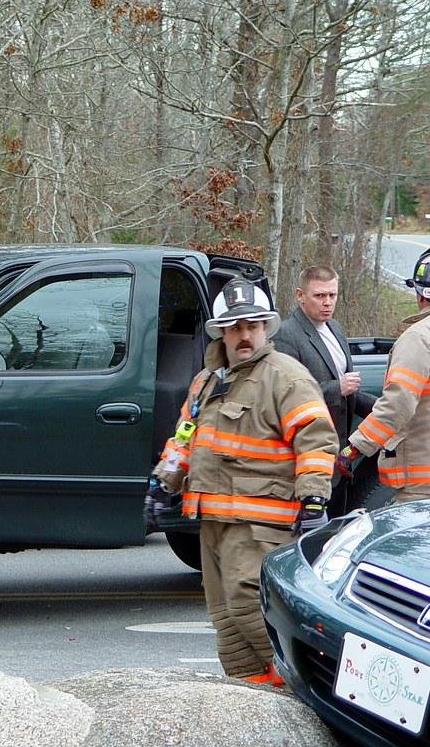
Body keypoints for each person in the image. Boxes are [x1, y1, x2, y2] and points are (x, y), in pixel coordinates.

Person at [146, 278, 337, 685]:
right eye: (235, 327)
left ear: (265, 328)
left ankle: (306, 694)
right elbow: (185, 436)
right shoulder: (207, 381)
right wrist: (165, 481)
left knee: (250, 609)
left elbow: (317, 439)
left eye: (252, 325)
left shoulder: (285, 377)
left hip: (259, 523)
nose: (245, 335)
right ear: (222, 331)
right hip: (212, 520)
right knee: (227, 623)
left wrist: (314, 500)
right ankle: (255, 704)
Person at [274, 266, 376, 516]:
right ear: (300, 295)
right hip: (308, 457)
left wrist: (384, 410)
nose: (327, 302)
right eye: (319, 296)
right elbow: (284, 397)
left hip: (339, 457)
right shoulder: (286, 334)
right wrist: (335, 388)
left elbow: (349, 395)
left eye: (332, 295)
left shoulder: (335, 328)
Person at [336, 249, 430, 505]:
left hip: (421, 487)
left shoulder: (418, 338)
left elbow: (398, 404)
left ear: (420, 293)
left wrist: (354, 447)